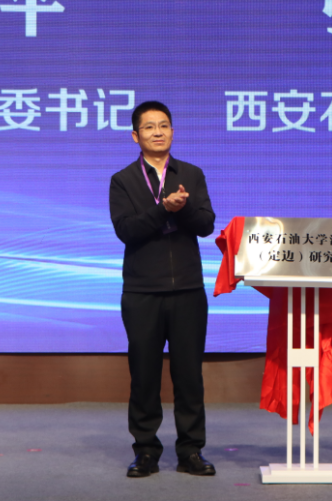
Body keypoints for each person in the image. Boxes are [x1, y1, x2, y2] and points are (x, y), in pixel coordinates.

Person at [109, 101, 217, 478]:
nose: (158, 132)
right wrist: (163, 209)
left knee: (189, 375)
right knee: (144, 375)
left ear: (173, 131)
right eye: (149, 127)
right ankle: (145, 451)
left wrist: (181, 207)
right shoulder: (123, 180)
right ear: (135, 136)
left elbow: (206, 224)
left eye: (164, 125)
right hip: (142, 291)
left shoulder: (191, 174)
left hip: (187, 289)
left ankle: (191, 451)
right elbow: (127, 230)